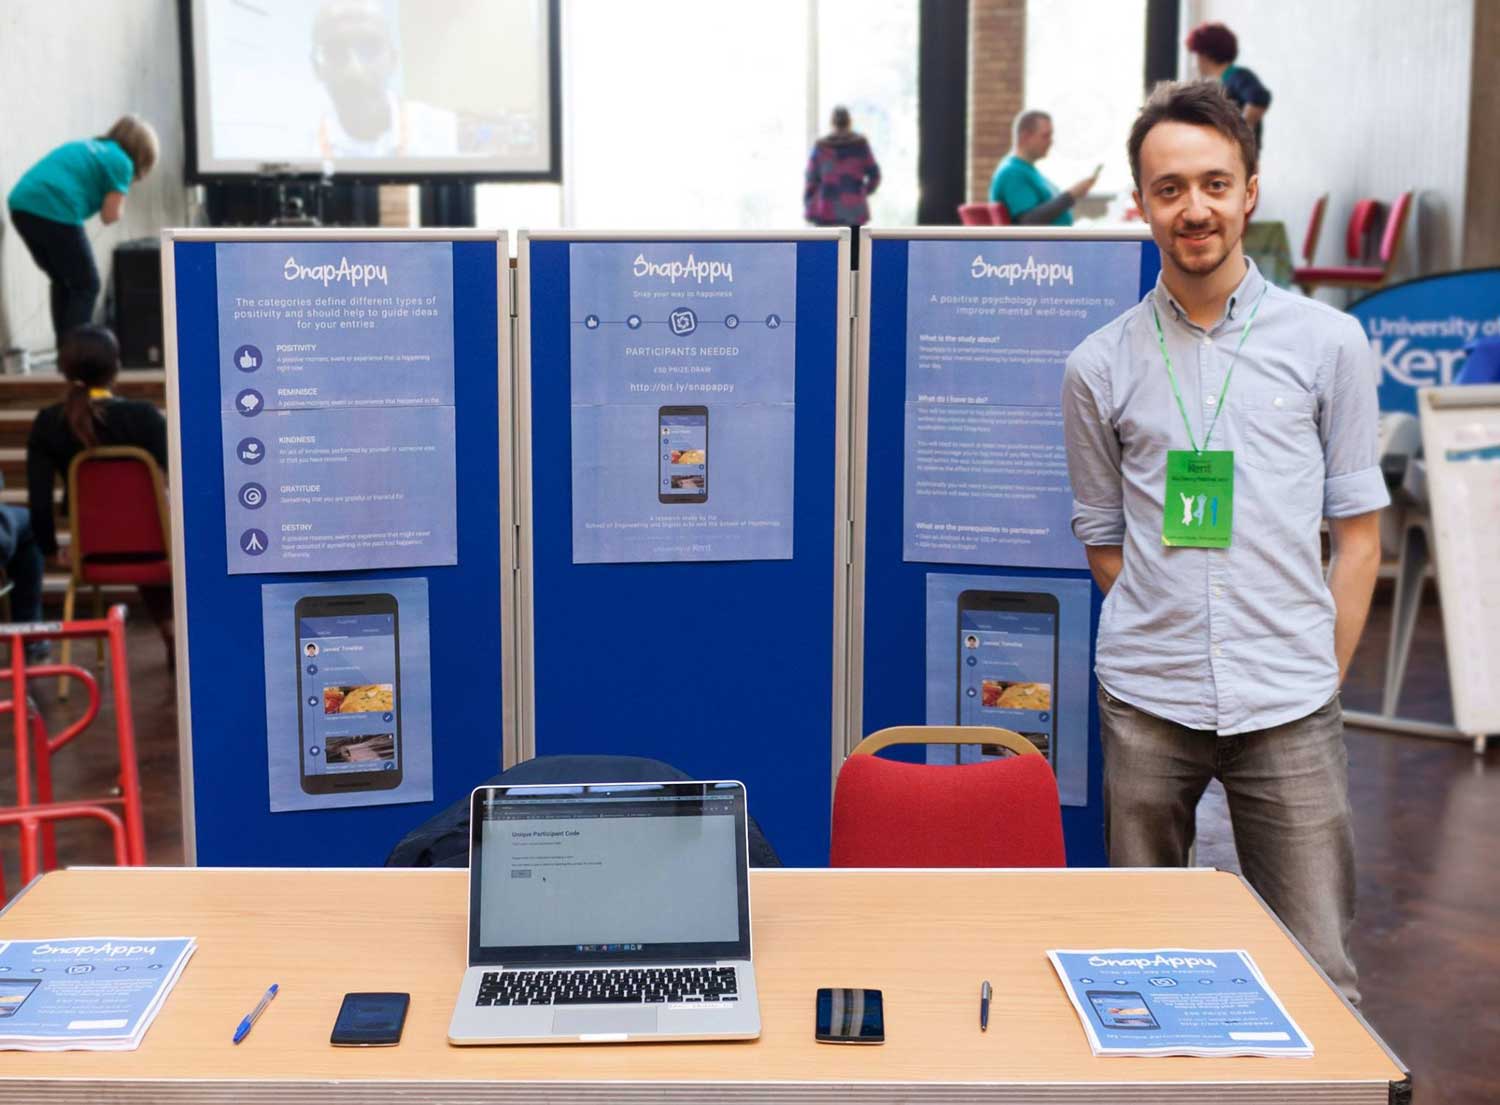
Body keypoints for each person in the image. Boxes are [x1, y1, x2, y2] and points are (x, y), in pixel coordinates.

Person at [1060, 81, 1386, 1002]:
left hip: (1288, 704)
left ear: (1249, 191)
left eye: (1214, 183)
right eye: (1169, 189)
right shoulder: (1097, 365)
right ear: (1142, 204)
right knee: (1143, 967)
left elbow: (1359, 539)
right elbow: (1105, 541)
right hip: (1147, 702)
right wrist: (1166, 624)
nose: (1193, 208)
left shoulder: (1330, 345)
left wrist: (1314, 669)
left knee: (1321, 971)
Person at [27, 325, 173, 659]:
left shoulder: (49, 423)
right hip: (156, 548)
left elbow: (39, 499)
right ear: (116, 367)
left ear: (65, 370)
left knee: (130, 538)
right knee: (149, 538)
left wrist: (50, 550)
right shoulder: (145, 419)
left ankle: (170, 625)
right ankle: (171, 626)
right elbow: (182, 484)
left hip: (91, 553)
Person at [7, 116, 159, 346]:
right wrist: (120, 195)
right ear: (143, 156)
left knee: (63, 280)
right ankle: (77, 354)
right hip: (55, 208)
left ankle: (66, 352)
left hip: (21, 205)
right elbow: (110, 216)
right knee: (87, 284)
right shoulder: (122, 163)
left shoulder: (89, 147)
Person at [310, 0, 458, 159]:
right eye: (336, 51)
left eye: (370, 47)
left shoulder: (442, 131)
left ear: (392, 60)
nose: (355, 69)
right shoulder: (302, 150)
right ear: (317, 68)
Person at [988, 111, 1100, 227]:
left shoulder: (1028, 170)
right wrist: (1071, 195)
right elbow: (1029, 222)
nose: (1051, 142)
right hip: (1043, 244)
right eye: (1046, 136)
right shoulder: (1012, 173)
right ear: (1025, 137)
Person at [1185, 22, 1271, 149]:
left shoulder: (1237, 76)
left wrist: (1239, 133)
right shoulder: (1223, 83)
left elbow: (1259, 98)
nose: (1194, 63)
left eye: (1195, 55)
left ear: (1205, 55)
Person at [803, 106, 881, 229]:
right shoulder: (860, 145)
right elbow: (875, 175)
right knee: (855, 248)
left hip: (826, 211)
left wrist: (810, 205)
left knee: (829, 248)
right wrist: (862, 193)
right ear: (849, 121)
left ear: (832, 122)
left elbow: (811, 180)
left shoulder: (821, 147)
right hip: (855, 213)